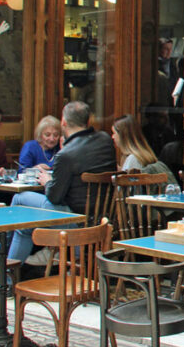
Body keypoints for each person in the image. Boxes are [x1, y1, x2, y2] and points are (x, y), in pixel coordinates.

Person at [6, 101, 117, 263]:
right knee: (24, 227)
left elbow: (54, 197)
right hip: (102, 219)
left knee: (19, 199)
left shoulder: (66, 154)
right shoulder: (106, 140)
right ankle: (5, 274)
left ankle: (1, 257)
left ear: (63, 122)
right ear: (88, 122)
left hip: (75, 222)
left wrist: (47, 181)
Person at [112, 114, 179, 185]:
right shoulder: (139, 155)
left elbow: (128, 189)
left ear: (123, 136)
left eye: (114, 133)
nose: (112, 137)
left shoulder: (133, 159)